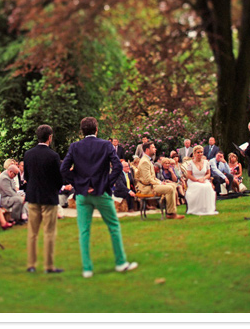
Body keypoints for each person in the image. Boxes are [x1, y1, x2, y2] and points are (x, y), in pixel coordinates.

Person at [60, 117, 138, 278]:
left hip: (82, 194)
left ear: (82, 131)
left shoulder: (75, 147)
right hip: (101, 192)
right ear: (96, 129)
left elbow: (64, 169)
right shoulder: (106, 145)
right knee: (113, 226)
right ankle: (121, 263)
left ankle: (87, 268)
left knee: (84, 230)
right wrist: (106, 184)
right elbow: (117, 167)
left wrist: (79, 184)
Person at [23, 124, 65, 274]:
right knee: (49, 232)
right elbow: (58, 178)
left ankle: (31, 264)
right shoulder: (53, 156)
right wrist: (56, 188)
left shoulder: (28, 154)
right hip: (48, 197)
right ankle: (48, 266)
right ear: (50, 137)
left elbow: (26, 176)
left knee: (32, 233)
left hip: (33, 196)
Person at [137, 142, 185, 219]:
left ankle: (171, 212)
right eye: (153, 147)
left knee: (173, 185)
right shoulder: (144, 161)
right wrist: (159, 183)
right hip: (146, 188)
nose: (155, 149)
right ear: (147, 150)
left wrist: (160, 182)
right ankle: (170, 213)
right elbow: (147, 179)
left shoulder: (148, 160)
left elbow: (152, 177)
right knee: (169, 188)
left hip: (151, 185)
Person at [185, 145, 218, 216]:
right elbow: (189, 175)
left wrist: (203, 178)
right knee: (200, 187)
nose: (200, 154)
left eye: (201, 152)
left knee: (208, 187)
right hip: (193, 180)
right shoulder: (190, 163)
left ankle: (207, 208)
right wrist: (197, 180)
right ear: (194, 153)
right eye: (198, 152)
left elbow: (208, 174)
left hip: (204, 179)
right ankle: (197, 208)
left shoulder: (206, 162)